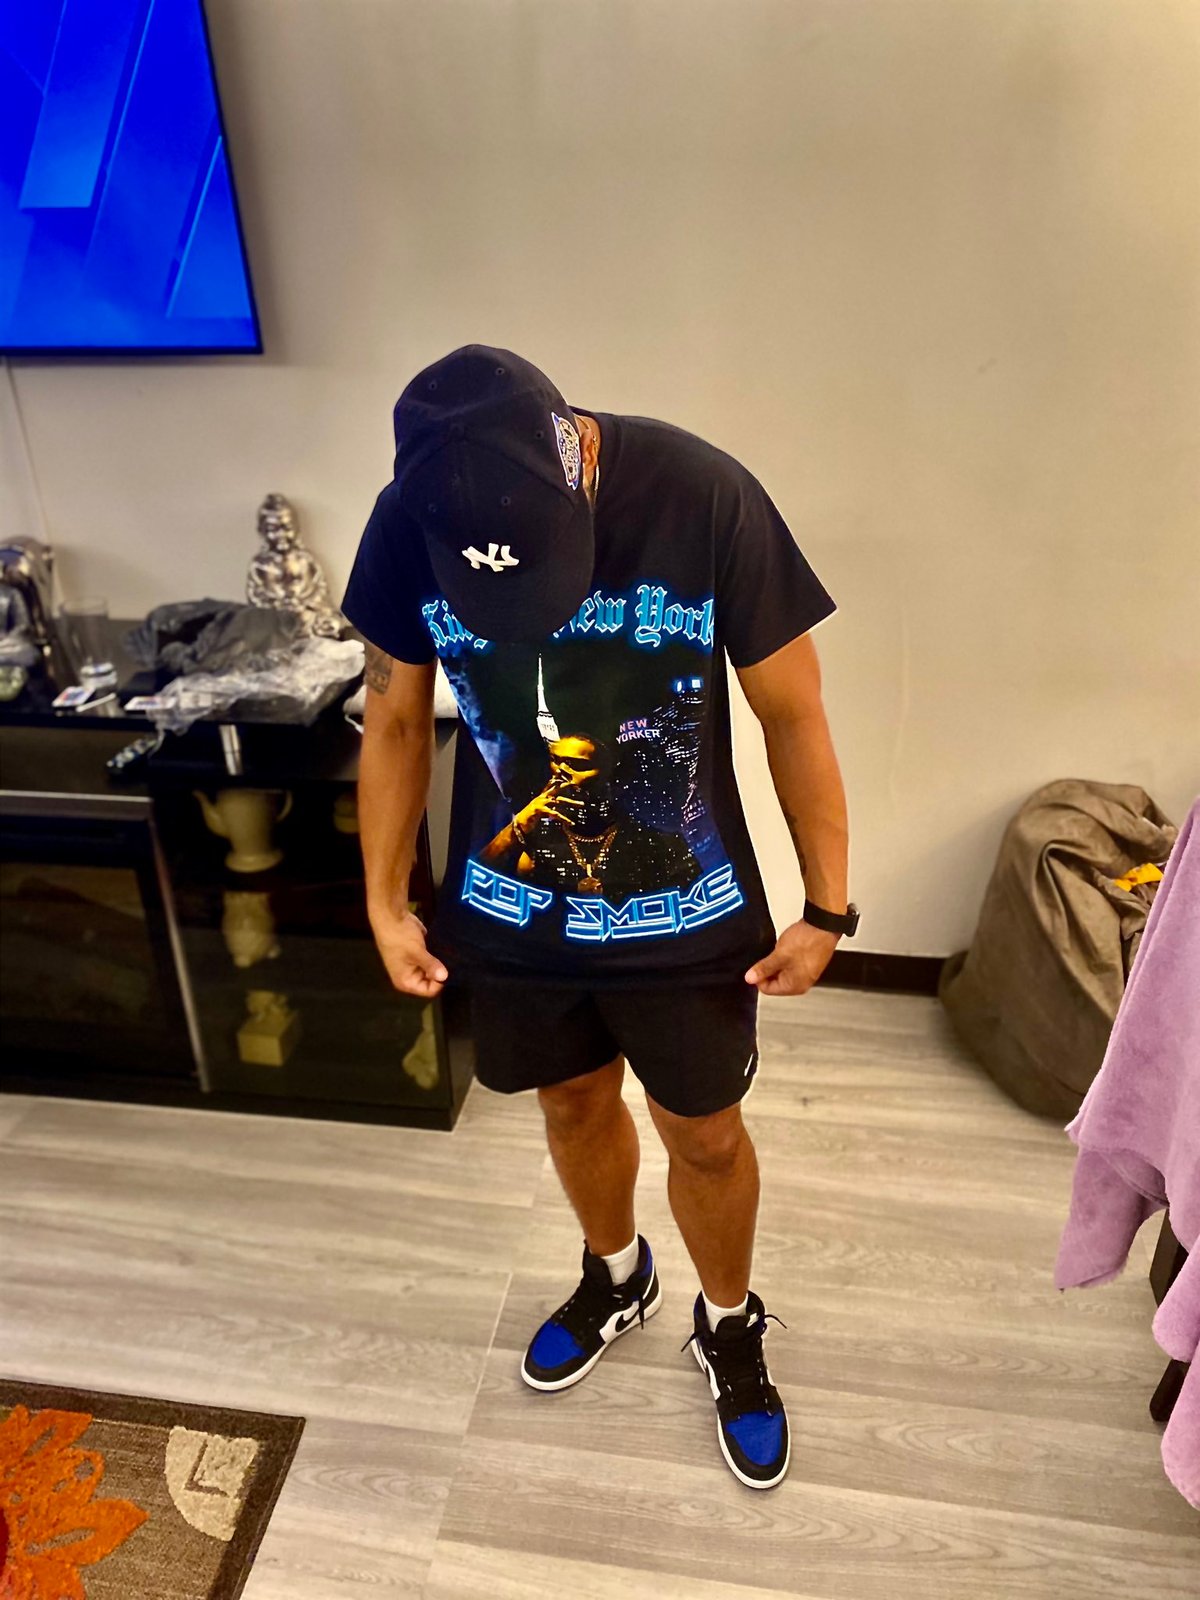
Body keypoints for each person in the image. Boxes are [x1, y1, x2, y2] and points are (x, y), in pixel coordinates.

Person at [342, 346, 856, 1491]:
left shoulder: (703, 493)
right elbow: (394, 717)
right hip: (515, 914)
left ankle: (728, 1320)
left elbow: (793, 711)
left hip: (686, 912)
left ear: (574, 454)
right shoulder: (409, 518)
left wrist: (827, 904)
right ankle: (617, 1273)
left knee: (705, 1135)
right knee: (572, 1101)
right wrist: (384, 902)